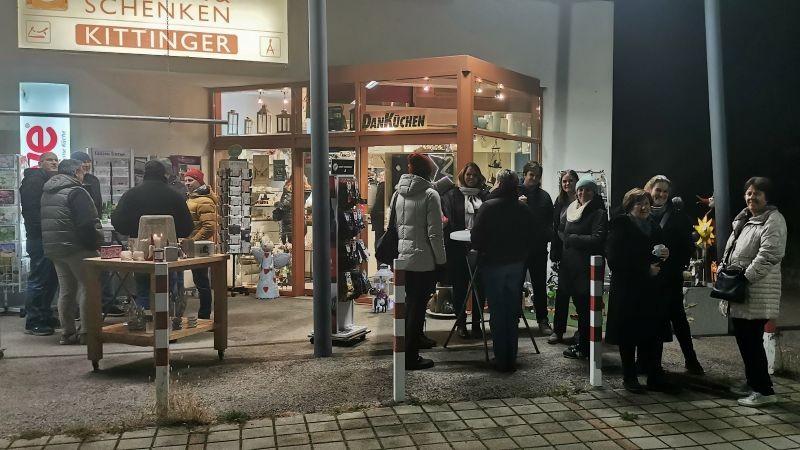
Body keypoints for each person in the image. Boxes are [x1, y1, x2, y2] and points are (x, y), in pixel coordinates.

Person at [719, 177, 787, 407]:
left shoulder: (773, 220)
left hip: (756, 290)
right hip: (741, 291)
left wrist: (744, 277)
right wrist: (725, 270)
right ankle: (753, 382)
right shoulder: (745, 219)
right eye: (748, 193)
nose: (751, 197)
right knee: (745, 340)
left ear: (767, 197)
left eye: (757, 193)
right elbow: (732, 250)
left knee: (752, 342)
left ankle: (764, 391)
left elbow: (770, 255)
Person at [605, 188, 674, 393]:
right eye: (639, 203)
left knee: (653, 334)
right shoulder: (620, 225)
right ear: (629, 206)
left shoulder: (654, 226)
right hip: (628, 289)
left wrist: (665, 254)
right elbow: (615, 259)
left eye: (646, 203)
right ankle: (629, 377)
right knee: (628, 334)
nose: (644, 207)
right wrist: (645, 269)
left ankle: (654, 376)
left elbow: (658, 252)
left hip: (651, 291)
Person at [471, 170, 534, 372]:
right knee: (511, 310)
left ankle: (501, 358)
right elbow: (531, 235)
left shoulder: (488, 207)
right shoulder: (523, 208)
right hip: (516, 265)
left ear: (498, 183)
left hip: (493, 264)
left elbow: (476, 238)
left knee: (497, 311)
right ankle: (511, 356)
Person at [111, 160, 193, 310]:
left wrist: (134, 229)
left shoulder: (131, 194)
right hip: (169, 252)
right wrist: (173, 234)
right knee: (166, 289)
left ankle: (144, 317)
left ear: (145, 174)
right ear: (164, 174)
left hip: (140, 253)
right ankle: (166, 318)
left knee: (143, 290)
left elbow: (117, 222)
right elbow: (187, 227)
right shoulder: (175, 196)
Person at [644, 175, 704, 375]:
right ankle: (652, 364)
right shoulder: (641, 211)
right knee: (652, 319)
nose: (661, 194)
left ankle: (691, 359)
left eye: (665, 191)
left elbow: (688, 246)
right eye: (658, 190)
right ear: (650, 190)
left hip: (670, 277)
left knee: (678, 318)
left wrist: (673, 260)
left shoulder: (678, 216)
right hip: (648, 276)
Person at [41, 159, 103, 345]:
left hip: (56, 248)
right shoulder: (77, 191)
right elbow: (87, 223)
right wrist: (94, 243)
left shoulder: (48, 191)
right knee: (88, 287)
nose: (84, 174)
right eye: (82, 170)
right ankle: (87, 332)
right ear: (76, 172)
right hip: (77, 248)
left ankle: (67, 333)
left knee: (66, 289)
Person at [393, 152, 446, 370]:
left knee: (409, 306)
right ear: (429, 171)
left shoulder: (398, 193)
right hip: (424, 260)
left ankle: (406, 350)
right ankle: (411, 356)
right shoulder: (430, 194)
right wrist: (441, 261)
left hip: (404, 258)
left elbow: (396, 226)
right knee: (417, 308)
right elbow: (435, 234)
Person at [71, 151, 125, 317]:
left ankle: (107, 303)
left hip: (93, 229)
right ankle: (77, 309)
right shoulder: (71, 183)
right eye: (83, 162)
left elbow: (98, 204)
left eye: (88, 161)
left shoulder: (93, 180)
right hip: (75, 234)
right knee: (76, 275)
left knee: (103, 267)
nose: (87, 165)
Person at [560, 178, 608, 360]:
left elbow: (597, 238)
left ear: (594, 193)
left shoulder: (599, 213)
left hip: (587, 269)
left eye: (588, 190)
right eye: (580, 190)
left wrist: (573, 239)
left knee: (587, 310)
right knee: (581, 309)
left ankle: (586, 348)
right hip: (571, 267)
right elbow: (561, 230)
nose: (583, 193)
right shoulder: (571, 209)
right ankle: (582, 344)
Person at [440, 162, 489, 338]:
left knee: (480, 288)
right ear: (463, 175)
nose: (471, 178)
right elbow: (448, 221)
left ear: (479, 177)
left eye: (474, 175)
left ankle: (477, 324)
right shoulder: (452, 195)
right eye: (468, 174)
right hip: (457, 248)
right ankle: (461, 324)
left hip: (480, 248)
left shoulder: (485, 196)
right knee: (460, 288)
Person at [20, 152, 60, 336]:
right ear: (40, 162)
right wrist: (44, 230)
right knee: (39, 279)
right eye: (49, 160)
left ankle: (44, 314)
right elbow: (31, 212)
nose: (54, 163)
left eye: (56, 160)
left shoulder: (48, 180)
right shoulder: (34, 181)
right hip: (39, 238)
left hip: (48, 236)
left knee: (50, 278)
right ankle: (34, 320)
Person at [518, 161, 555, 335]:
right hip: (518, 250)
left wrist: (546, 236)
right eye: (531, 174)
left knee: (539, 286)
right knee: (515, 285)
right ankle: (513, 320)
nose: (534, 178)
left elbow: (550, 222)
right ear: (524, 174)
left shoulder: (545, 197)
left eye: (537, 175)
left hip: (538, 249)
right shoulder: (513, 194)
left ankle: (543, 320)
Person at [183, 168, 219, 319]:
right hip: (192, 245)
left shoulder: (204, 200)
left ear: (199, 181)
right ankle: (203, 314)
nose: (187, 183)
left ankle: (204, 315)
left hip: (200, 247)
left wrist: (193, 241)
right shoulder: (192, 198)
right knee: (200, 281)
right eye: (185, 180)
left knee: (202, 282)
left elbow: (209, 227)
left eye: (190, 180)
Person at [549, 170, 579, 344]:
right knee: (562, 294)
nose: (567, 184)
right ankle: (558, 331)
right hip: (564, 253)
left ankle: (582, 332)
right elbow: (555, 229)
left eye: (570, 180)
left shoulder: (586, 200)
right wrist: (554, 254)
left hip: (580, 254)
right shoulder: (559, 201)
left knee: (580, 296)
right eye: (564, 181)